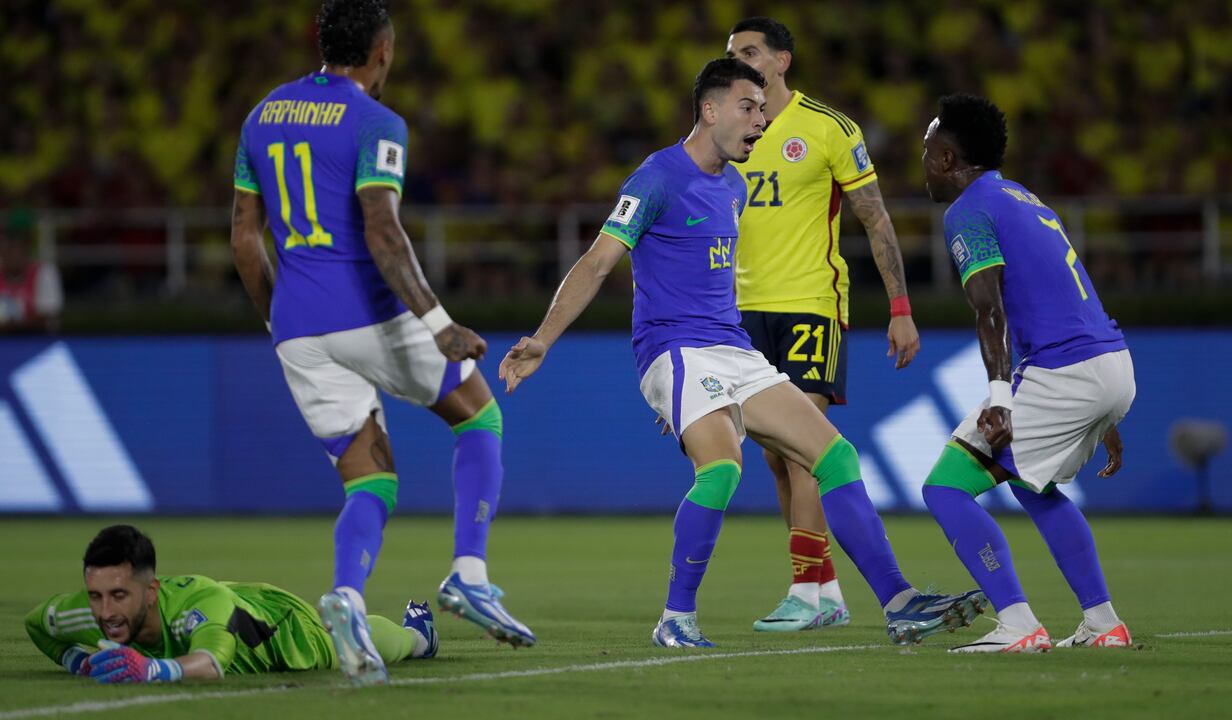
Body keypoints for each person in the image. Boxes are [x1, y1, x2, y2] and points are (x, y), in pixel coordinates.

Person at [499, 58, 983, 648]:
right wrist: (544, 339)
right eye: (749, 108)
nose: (761, 120)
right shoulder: (656, 177)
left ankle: (900, 602)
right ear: (710, 110)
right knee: (724, 468)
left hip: (734, 350)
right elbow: (598, 261)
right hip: (676, 350)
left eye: (763, 108)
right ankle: (675, 618)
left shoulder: (733, 184)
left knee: (837, 458)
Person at [229, 0, 533, 685]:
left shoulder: (261, 116)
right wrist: (438, 322)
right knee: (479, 414)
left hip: (297, 327)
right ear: (384, 51)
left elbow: (245, 237)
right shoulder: (375, 122)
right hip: (365, 310)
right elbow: (382, 230)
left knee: (371, 479)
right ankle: (469, 576)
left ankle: (347, 595)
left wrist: (279, 321)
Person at [918, 94, 1135, 653]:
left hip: (1066, 372)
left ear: (947, 159)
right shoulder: (1025, 198)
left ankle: (1017, 622)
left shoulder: (968, 209)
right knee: (1033, 487)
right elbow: (1063, 294)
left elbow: (988, 308)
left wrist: (1000, 397)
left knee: (944, 488)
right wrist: (1103, 409)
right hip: (1108, 362)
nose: (922, 164)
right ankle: (1103, 623)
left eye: (927, 152)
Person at [726, 17, 921, 632]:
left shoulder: (829, 129)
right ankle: (828, 589)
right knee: (778, 459)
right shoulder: (727, 130)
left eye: (751, 52)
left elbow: (875, 219)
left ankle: (804, 593)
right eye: (732, 55)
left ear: (783, 61)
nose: (740, 62)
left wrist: (899, 307)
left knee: (808, 447)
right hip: (740, 312)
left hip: (810, 304)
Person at [25, 525, 438, 684]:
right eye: (96, 595)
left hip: (279, 632)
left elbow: (212, 662)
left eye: (119, 596)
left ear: (150, 593)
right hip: (235, 603)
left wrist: (152, 668)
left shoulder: (198, 605)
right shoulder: (85, 610)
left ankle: (418, 635)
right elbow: (35, 625)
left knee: (350, 646)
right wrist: (74, 661)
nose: (105, 612)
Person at [0, 211, 62, 334]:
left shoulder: (44, 273)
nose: (14, 257)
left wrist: (12, 325)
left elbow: (47, 316)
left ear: (26, 252)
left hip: (37, 340)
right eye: (9, 251)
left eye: (18, 251)